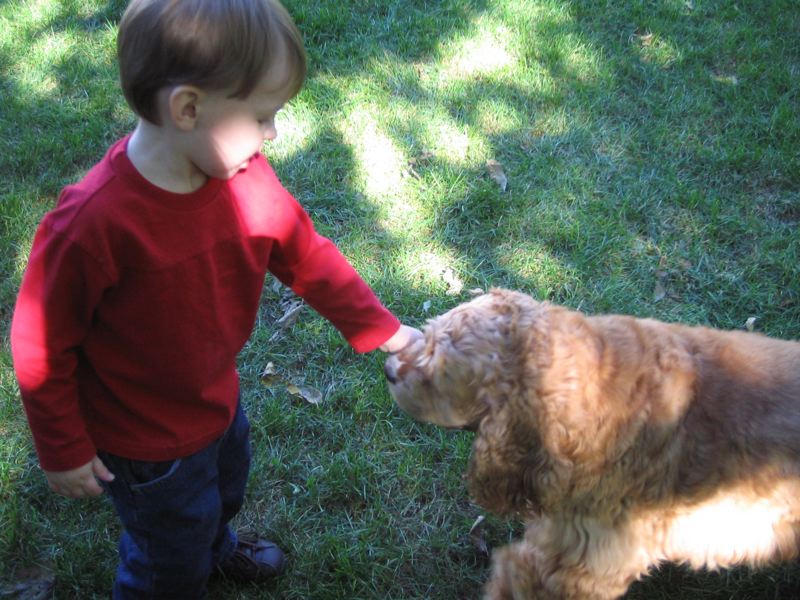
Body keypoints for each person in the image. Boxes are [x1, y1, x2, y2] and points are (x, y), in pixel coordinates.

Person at [10, 0, 421, 597]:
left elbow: (307, 256)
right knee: (165, 557)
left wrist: (386, 330)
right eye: (261, 116)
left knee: (223, 491)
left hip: (216, 403)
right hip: (142, 442)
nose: (273, 133)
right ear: (188, 108)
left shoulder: (247, 177)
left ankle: (217, 544)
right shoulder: (93, 224)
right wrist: (62, 449)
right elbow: (40, 343)